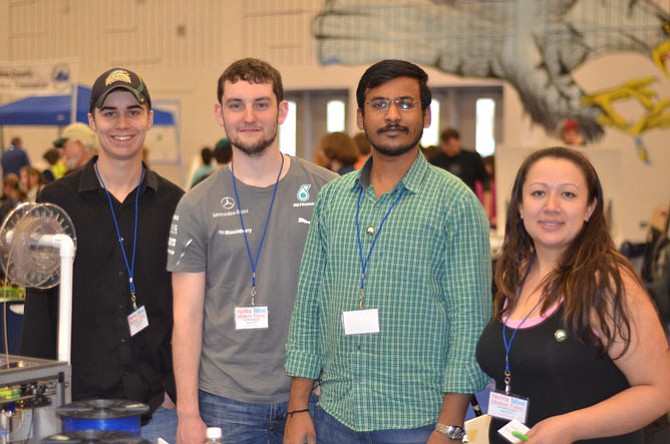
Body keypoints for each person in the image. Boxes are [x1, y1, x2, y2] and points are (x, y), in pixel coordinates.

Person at [284, 59, 492, 444]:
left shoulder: (455, 203)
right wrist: (298, 408)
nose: (392, 115)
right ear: (361, 118)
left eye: (406, 104)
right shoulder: (333, 199)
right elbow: (308, 304)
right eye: (379, 104)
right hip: (335, 415)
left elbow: (470, 324)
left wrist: (448, 428)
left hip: (417, 421)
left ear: (426, 116)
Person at [167, 58, 336, 444]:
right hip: (226, 401)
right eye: (236, 104)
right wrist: (188, 412)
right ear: (218, 112)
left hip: (314, 396)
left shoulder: (328, 192)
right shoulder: (196, 205)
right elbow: (188, 316)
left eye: (261, 103)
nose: (249, 116)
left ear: (282, 111)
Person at [20, 67, 184, 443]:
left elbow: (188, 306)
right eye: (110, 112)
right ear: (92, 121)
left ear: (149, 118)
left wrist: (178, 390)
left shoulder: (176, 204)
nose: (122, 123)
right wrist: (39, 397)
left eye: (133, 110)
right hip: (76, 411)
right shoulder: (56, 200)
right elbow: (40, 305)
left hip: (157, 409)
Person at [475, 146, 670, 443]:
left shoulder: (606, 281)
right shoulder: (512, 275)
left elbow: (660, 390)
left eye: (568, 194)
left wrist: (569, 427)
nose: (551, 206)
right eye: (538, 193)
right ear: (519, 206)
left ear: (590, 208)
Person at [429, 128, 493, 221]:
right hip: (443, 209)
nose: (453, 148)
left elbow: (486, 183)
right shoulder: (436, 160)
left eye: (455, 145)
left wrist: (487, 209)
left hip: (468, 206)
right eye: (449, 146)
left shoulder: (472, 158)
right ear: (443, 145)